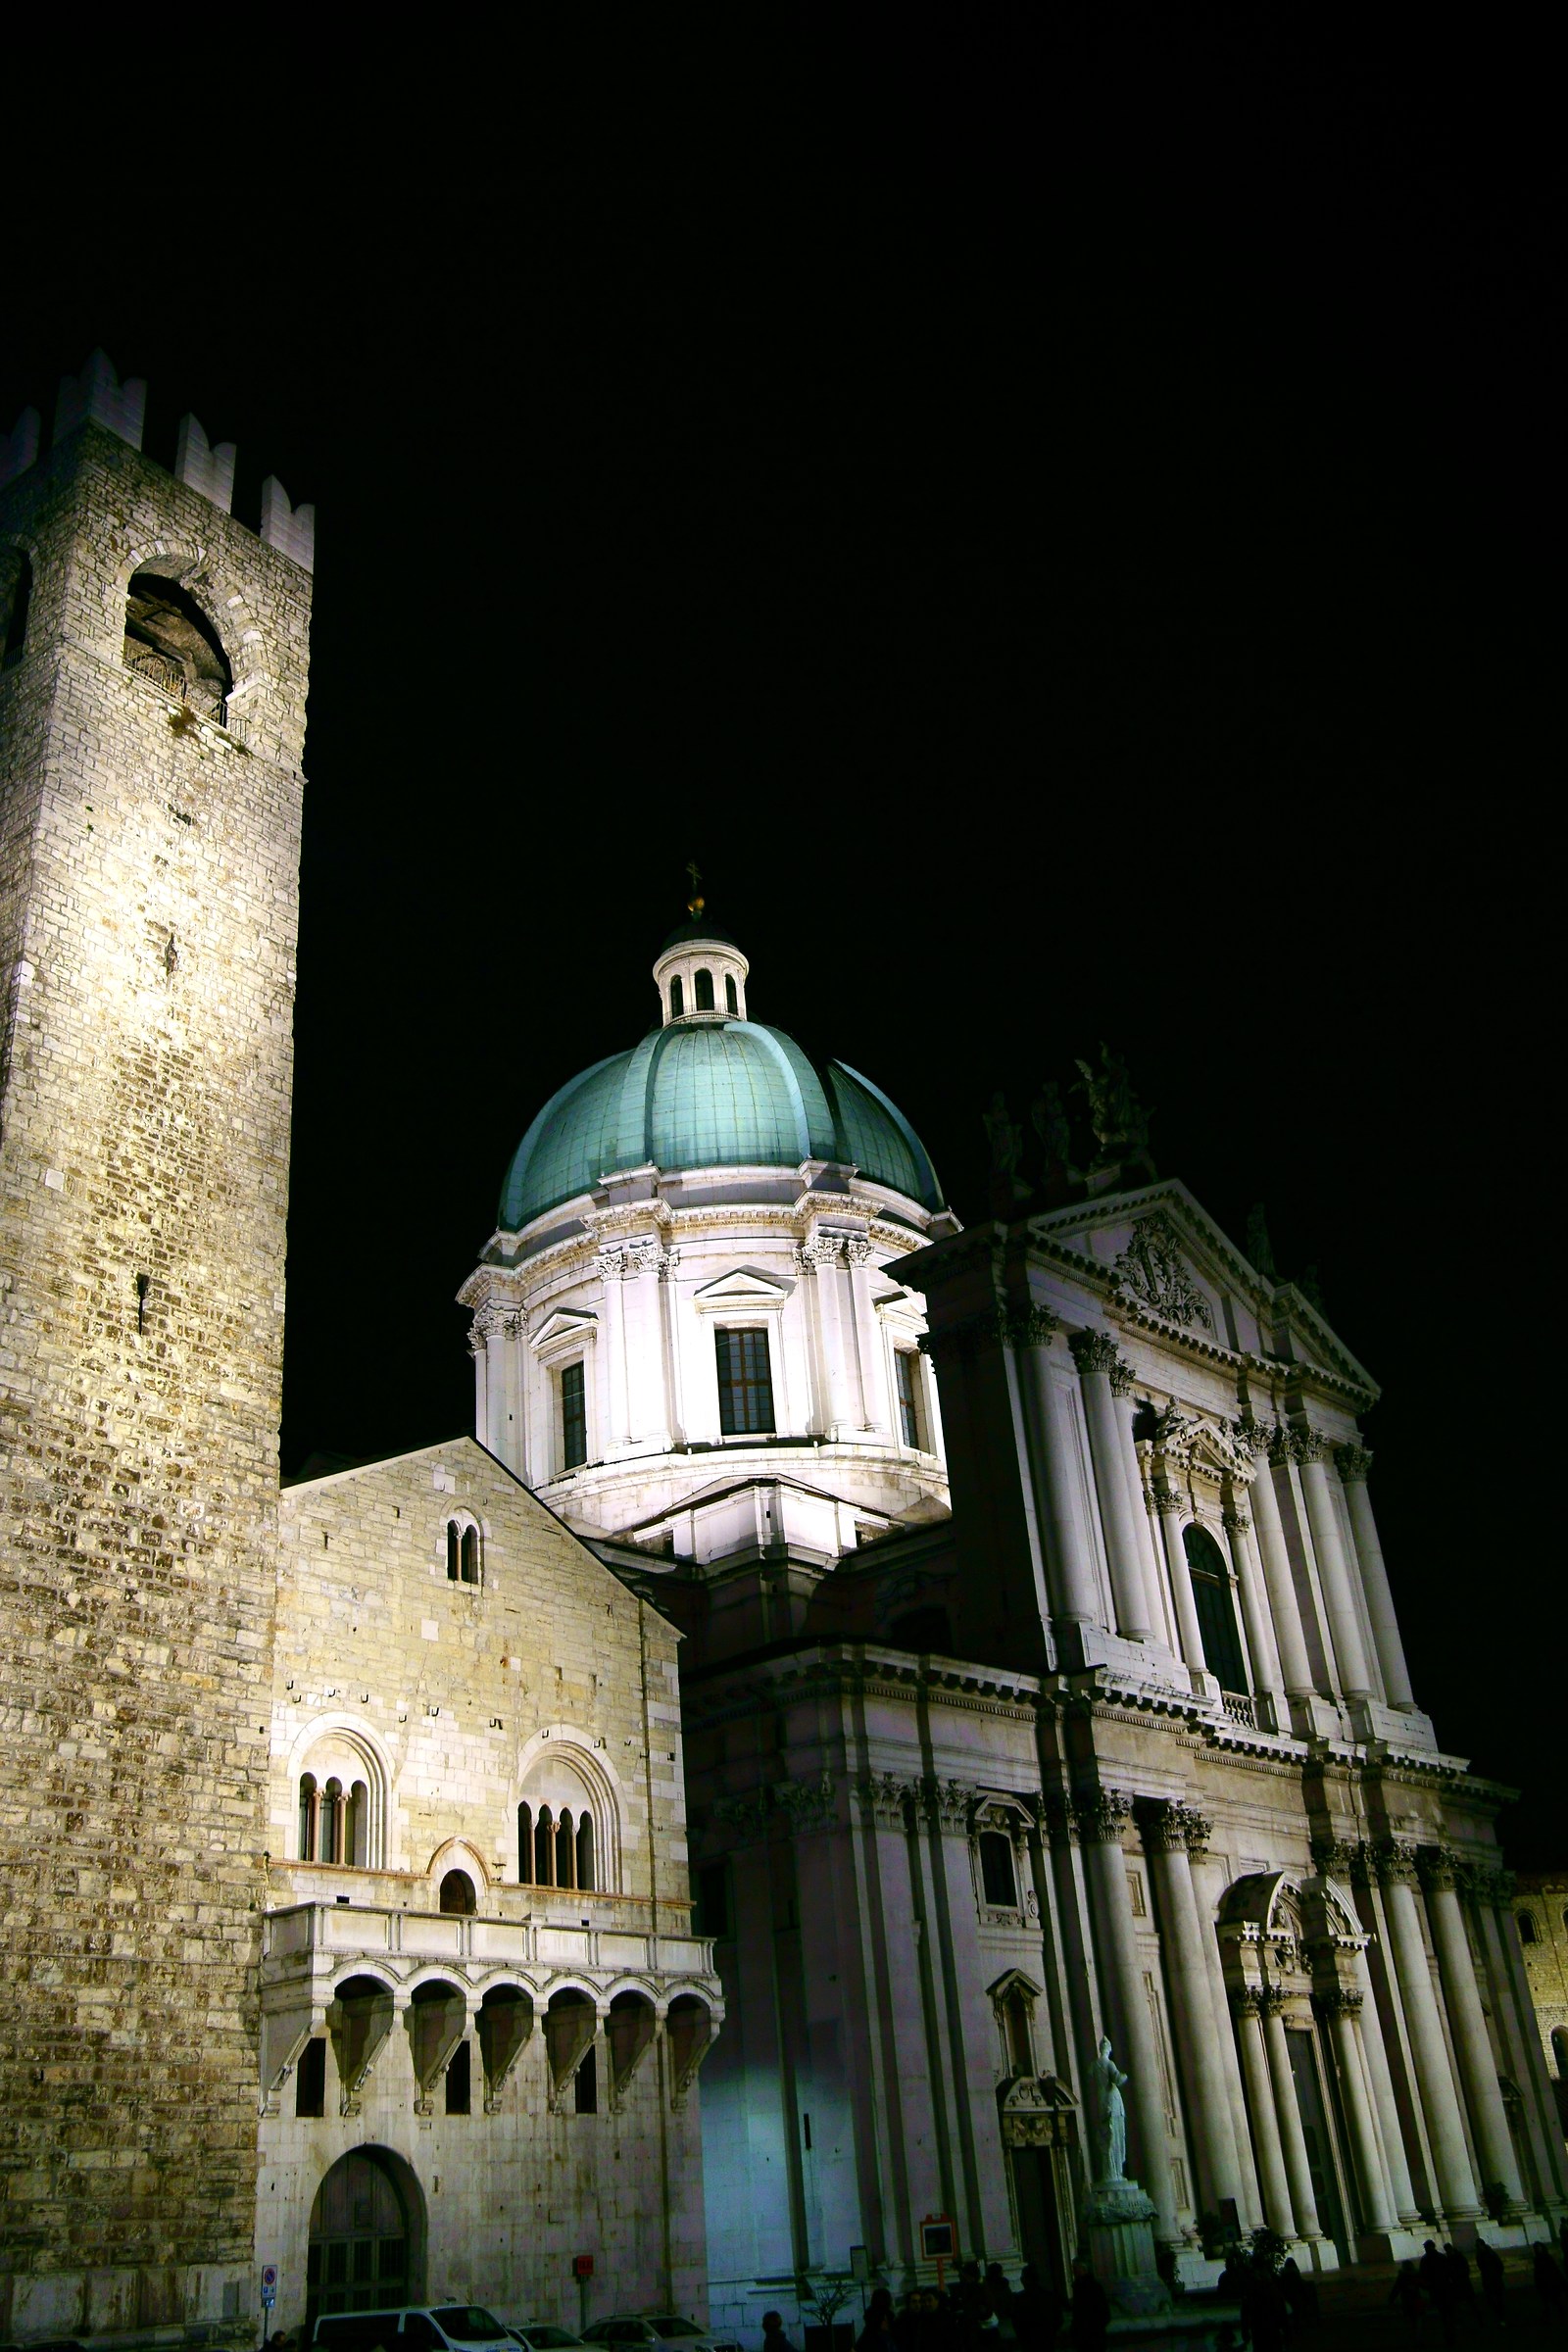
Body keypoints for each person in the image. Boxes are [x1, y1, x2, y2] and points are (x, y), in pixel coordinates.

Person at [1012, 2264, 1061, 2352]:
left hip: (1029, 2342)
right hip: (1047, 2340)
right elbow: (1058, 2319)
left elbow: (1016, 2322)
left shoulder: (1020, 2299)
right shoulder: (1049, 2296)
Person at [1068, 2261, 1108, 2352]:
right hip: (1094, 2336)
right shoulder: (1093, 2287)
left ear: (1082, 2269)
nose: (1073, 2272)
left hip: (1087, 2336)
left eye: (1075, 2269)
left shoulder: (1081, 2288)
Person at [1474, 2239, 1505, 2328]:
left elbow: (1499, 2265)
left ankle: (1501, 2317)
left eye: (1479, 2246)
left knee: (1498, 2299)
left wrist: (1497, 2274)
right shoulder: (1480, 2255)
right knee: (1491, 2299)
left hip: (1494, 2279)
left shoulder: (1490, 2254)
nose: (1479, 2248)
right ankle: (1499, 2316)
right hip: (1488, 2279)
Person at [1391, 2261, 1426, 2338]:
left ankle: (1413, 2336)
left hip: (1407, 2302)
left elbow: (1396, 2289)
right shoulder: (1415, 2275)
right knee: (1418, 2319)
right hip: (1416, 2300)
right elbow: (1424, 2285)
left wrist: (1391, 2300)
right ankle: (1418, 2336)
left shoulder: (1402, 2277)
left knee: (1410, 2320)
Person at [1532, 2249, 1566, 2323]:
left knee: (1548, 2301)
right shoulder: (1548, 2259)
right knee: (1555, 2300)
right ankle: (1560, 2315)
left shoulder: (1537, 2260)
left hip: (1545, 2283)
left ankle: (1550, 2316)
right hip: (1550, 2282)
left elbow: (1537, 2273)